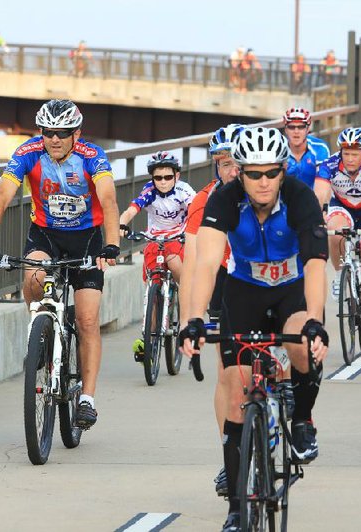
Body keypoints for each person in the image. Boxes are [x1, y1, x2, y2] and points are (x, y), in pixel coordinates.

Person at [179, 126, 329, 532]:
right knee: (235, 389)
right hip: (244, 292)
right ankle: (234, 506)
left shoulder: (301, 198)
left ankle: (302, 419)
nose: (263, 182)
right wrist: (193, 318)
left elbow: (316, 263)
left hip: (291, 292)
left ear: (283, 171)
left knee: (301, 343)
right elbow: (207, 262)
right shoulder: (224, 199)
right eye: (253, 174)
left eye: (271, 173)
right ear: (240, 173)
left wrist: (315, 321)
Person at [0, 99, 121, 429]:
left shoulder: (92, 156)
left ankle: (87, 398)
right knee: (34, 278)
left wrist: (112, 244)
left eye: (62, 133)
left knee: (86, 319)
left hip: (87, 240)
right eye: (47, 132)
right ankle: (40, 328)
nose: (54, 139)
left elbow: (109, 199)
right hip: (45, 236)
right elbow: (1, 196)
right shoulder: (28, 152)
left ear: (77, 133)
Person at [179, 123, 243, 497]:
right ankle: (229, 456)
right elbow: (192, 263)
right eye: (222, 164)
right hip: (225, 280)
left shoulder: (270, 191)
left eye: (236, 162)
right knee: (227, 375)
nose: (230, 171)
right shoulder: (204, 200)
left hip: (268, 276)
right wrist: (191, 320)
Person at [315, 127, 361, 341]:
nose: (349, 158)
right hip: (343, 208)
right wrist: (317, 220)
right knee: (335, 231)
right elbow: (319, 194)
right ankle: (340, 273)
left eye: (355, 154)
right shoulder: (329, 165)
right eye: (346, 153)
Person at [120, 152, 196, 361]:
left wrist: (193, 231)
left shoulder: (184, 191)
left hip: (178, 239)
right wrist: (122, 223)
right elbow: (132, 209)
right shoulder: (149, 191)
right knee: (152, 287)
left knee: (178, 269)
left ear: (176, 176)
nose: (163, 182)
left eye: (168, 177)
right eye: (158, 178)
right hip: (154, 240)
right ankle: (149, 337)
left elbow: (195, 211)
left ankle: (185, 323)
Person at [283, 107, 331, 189]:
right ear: (286, 130)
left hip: (313, 198)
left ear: (308, 129)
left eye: (301, 127)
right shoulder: (279, 148)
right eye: (291, 127)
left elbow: (323, 184)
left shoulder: (320, 148)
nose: (296, 131)